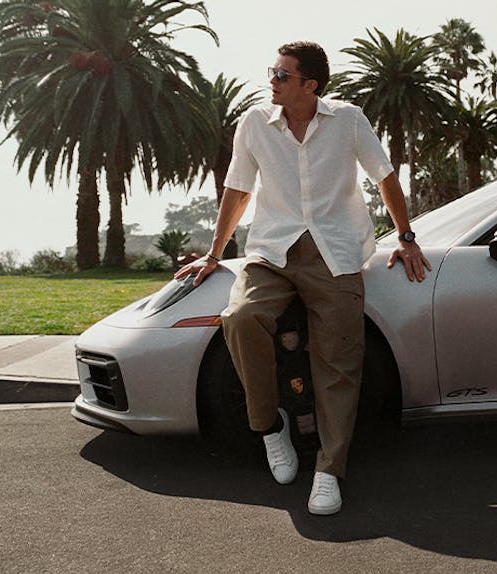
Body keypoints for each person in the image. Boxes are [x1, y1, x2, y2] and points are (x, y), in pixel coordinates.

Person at [175, 41, 430, 515]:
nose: (270, 79)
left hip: (336, 252)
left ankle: (330, 470)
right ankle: (271, 428)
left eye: (281, 74)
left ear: (309, 85)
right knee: (241, 317)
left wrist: (406, 236)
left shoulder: (349, 119)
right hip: (272, 251)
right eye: (271, 70)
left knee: (338, 363)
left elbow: (385, 176)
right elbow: (237, 188)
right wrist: (214, 253)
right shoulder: (254, 123)